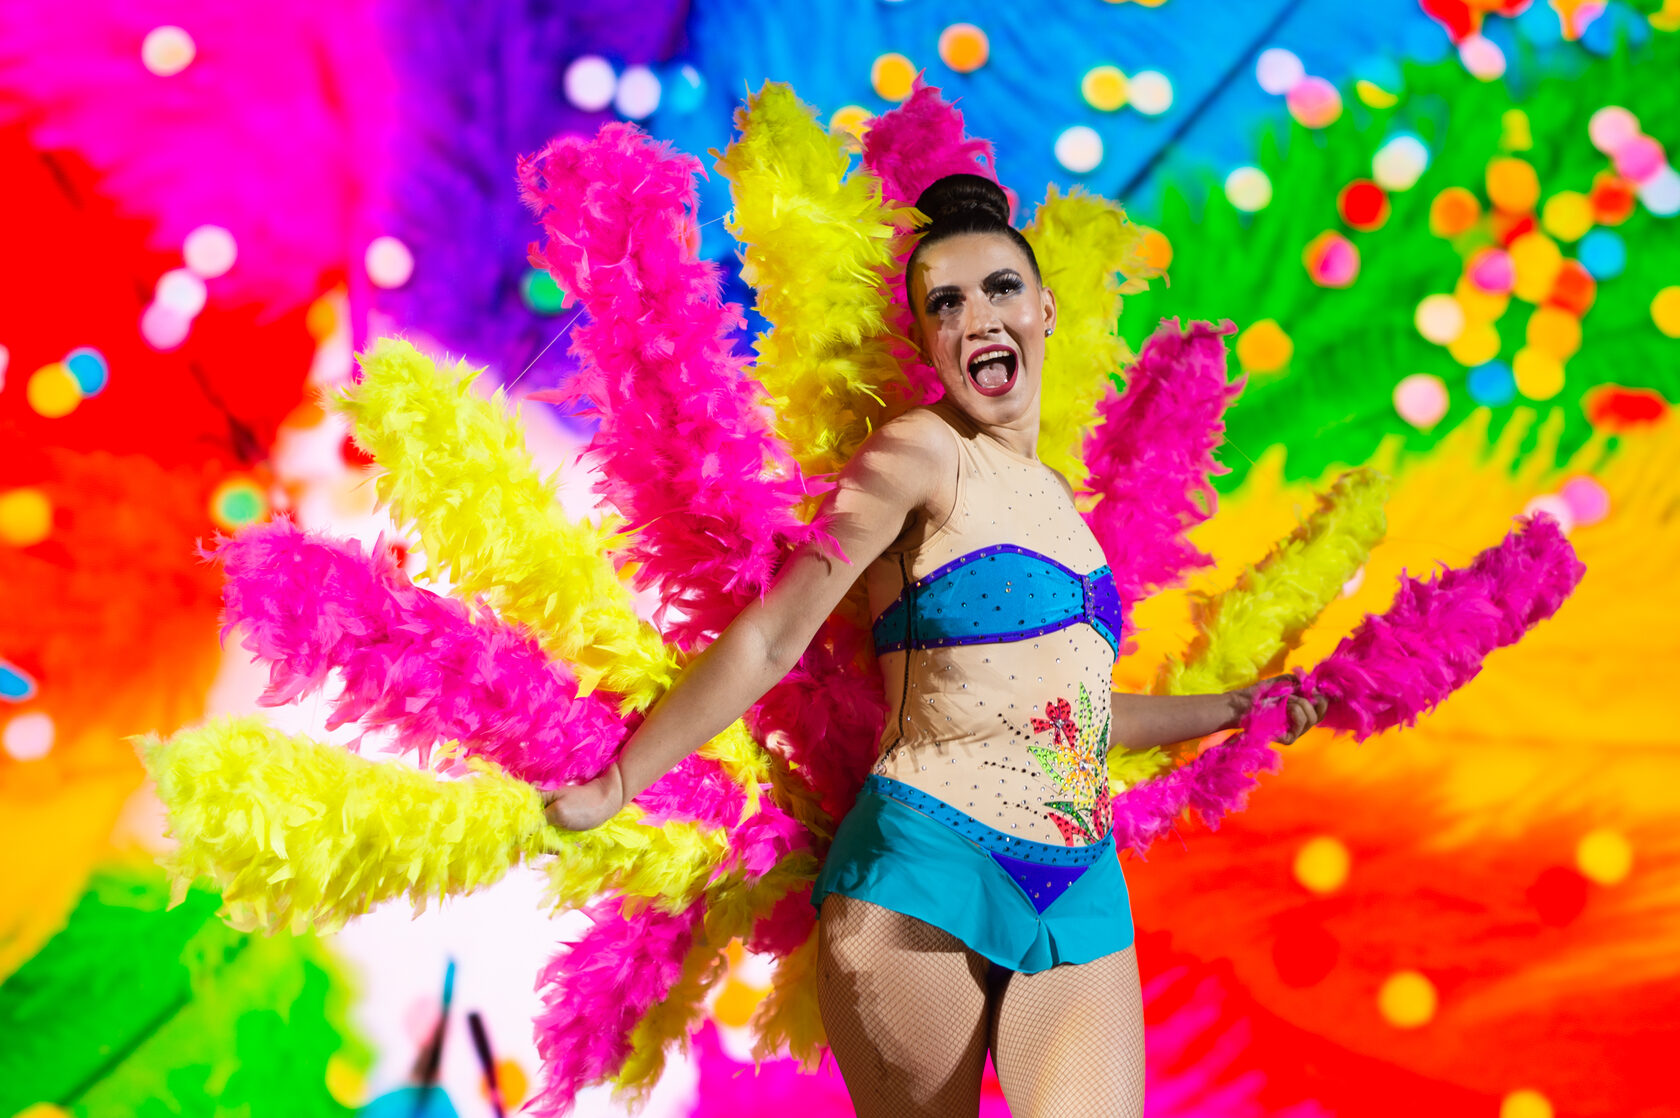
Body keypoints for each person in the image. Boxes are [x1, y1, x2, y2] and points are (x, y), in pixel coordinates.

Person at [543, 173, 1326, 1117]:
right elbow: (776, 636)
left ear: (1044, 309)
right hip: (928, 861)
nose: (976, 316)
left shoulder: (1065, 510)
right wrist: (620, 782)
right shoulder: (918, 451)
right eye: (945, 304)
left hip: (1081, 882)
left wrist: (1237, 709)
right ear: (925, 341)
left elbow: (1076, 718)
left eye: (1000, 288)